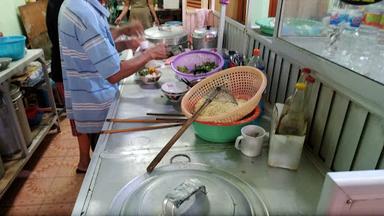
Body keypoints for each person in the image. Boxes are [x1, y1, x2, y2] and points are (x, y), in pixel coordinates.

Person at [58, 0, 167, 172]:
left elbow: (94, 47)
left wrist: (124, 39)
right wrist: (150, 53)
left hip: (93, 97)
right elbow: (114, 73)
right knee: (109, 168)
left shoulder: (76, 5)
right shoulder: (81, 11)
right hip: (96, 104)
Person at [46, 0, 65, 100]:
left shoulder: (53, 3)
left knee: (73, 110)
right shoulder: (66, 5)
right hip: (63, 65)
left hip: (59, 63)